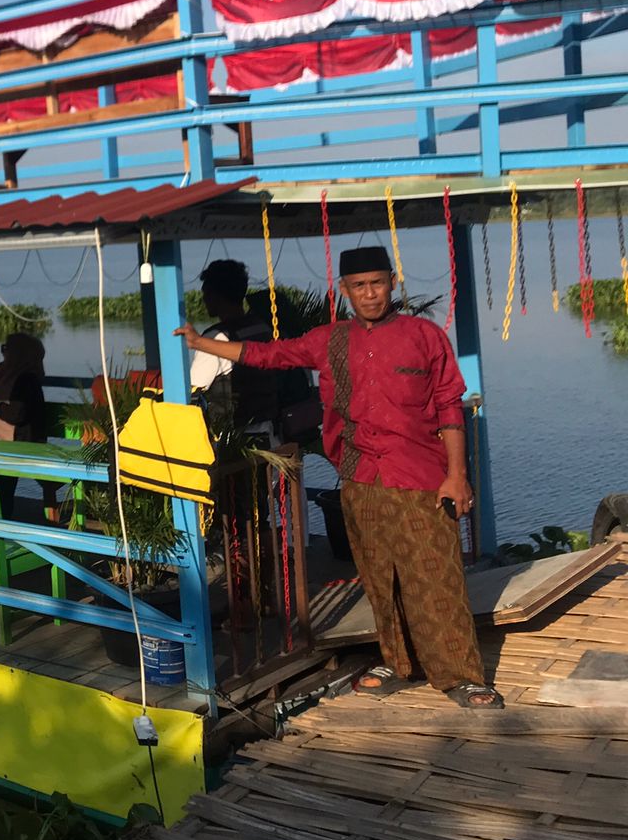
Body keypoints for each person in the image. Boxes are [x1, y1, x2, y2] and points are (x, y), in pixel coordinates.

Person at [177, 245, 503, 709]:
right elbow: (271, 355)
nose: (370, 294)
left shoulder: (424, 336)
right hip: (359, 477)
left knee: (436, 578)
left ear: (392, 282)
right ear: (345, 291)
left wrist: (457, 476)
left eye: (377, 283)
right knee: (378, 577)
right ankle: (397, 662)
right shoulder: (330, 339)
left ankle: (461, 677)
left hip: (421, 479)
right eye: (359, 286)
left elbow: (451, 407)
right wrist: (201, 342)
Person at [188, 259, 279, 431]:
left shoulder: (215, 339)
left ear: (216, 295)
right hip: (271, 431)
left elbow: (193, 390)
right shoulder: (261, 327)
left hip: (236, 440)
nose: (204, 298)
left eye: (206, 292)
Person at [0, 332, 52, 520]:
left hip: (24, 442)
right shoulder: (8, 373)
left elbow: (17, 414)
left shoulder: (25, 380)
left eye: (6, 349)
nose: (3, 354)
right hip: (11, 441)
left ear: (18, 353)